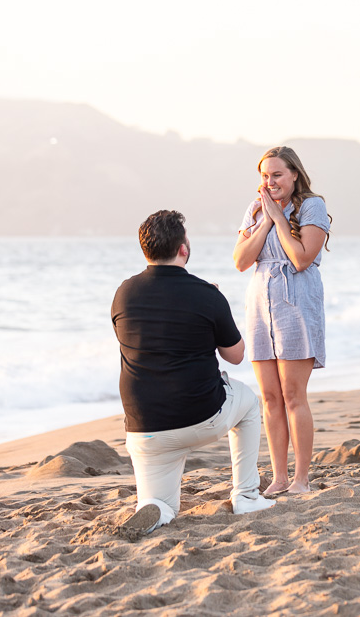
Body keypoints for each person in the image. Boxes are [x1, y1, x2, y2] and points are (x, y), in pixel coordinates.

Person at [112, 210, 274, 535]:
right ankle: (246, 495)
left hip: (146, 428)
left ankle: (154, 509)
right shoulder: (207, 294)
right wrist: (213, 308)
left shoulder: (123, 294)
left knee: (160, 505)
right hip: (200, 416)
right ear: (184, 248)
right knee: (249, 403)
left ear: (145, 250)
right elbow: (236, 356)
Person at [233, 146, 331, 495]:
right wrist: (263, 221)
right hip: (260, 305)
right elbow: (241, 261)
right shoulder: (255, 208)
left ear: (293, 175)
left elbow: (302, 257)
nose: (269, 181)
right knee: (270, 398)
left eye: (276, 174)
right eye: (264, 175)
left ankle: (301, 478)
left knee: (292, 395)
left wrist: (277, 217)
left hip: (296, 303)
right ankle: (278, 477)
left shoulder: (311, 206)